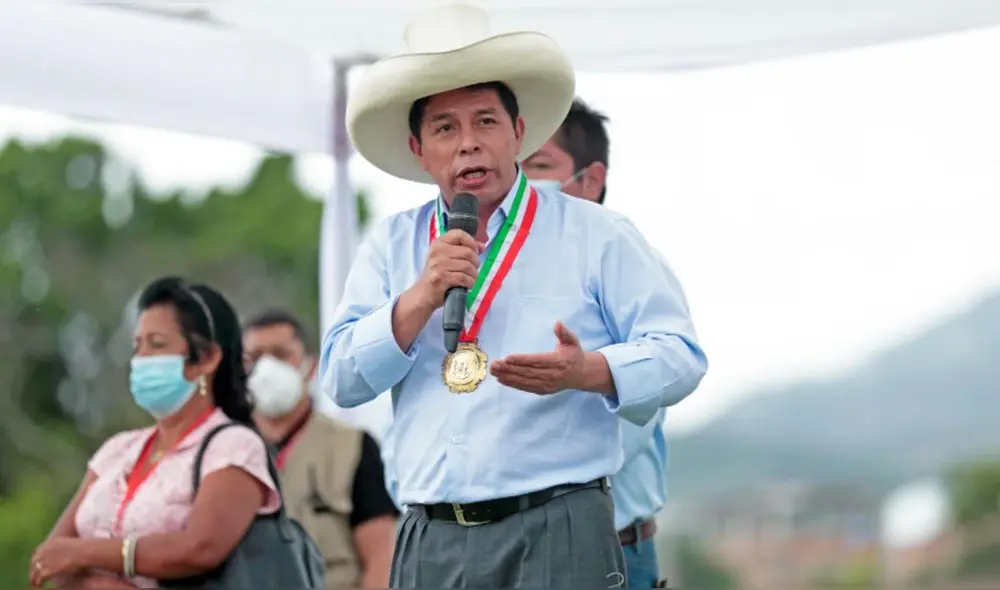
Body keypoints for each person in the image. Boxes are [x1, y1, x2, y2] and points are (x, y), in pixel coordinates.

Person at [321, 4, 708, 588]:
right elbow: (341, 379)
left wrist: (589, 370)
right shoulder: (391, 243)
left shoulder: (596, 232)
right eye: (445, 128)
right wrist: (421, 297)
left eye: (486, 121)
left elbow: (681, 356)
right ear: (419, 150)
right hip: (429, 535)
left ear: (519, 133)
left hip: (558, 523)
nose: (468, 144)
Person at [29, 277, 281, 589]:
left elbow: (200, 548)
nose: (141, 359)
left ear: (206, 359)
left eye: (157, 345)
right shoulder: (118, 450)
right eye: (138, 347)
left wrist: (86, 557)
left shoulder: (234, 447)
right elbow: (52, 556)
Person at [523, 98, 678, 588]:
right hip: (509, 557)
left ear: (589, 180)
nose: (520, 185)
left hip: (608, 553)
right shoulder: (495, 275)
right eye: (513, 168)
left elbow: (660, 379)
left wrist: (586, 372)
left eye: (538, 167)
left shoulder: (627, 262)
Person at [242, 309, 397, 589]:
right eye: (254, 357)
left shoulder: (352, 447)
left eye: (280, 354)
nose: (266, 368)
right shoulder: (226, 448)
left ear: (310, 366)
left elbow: (381, 560)